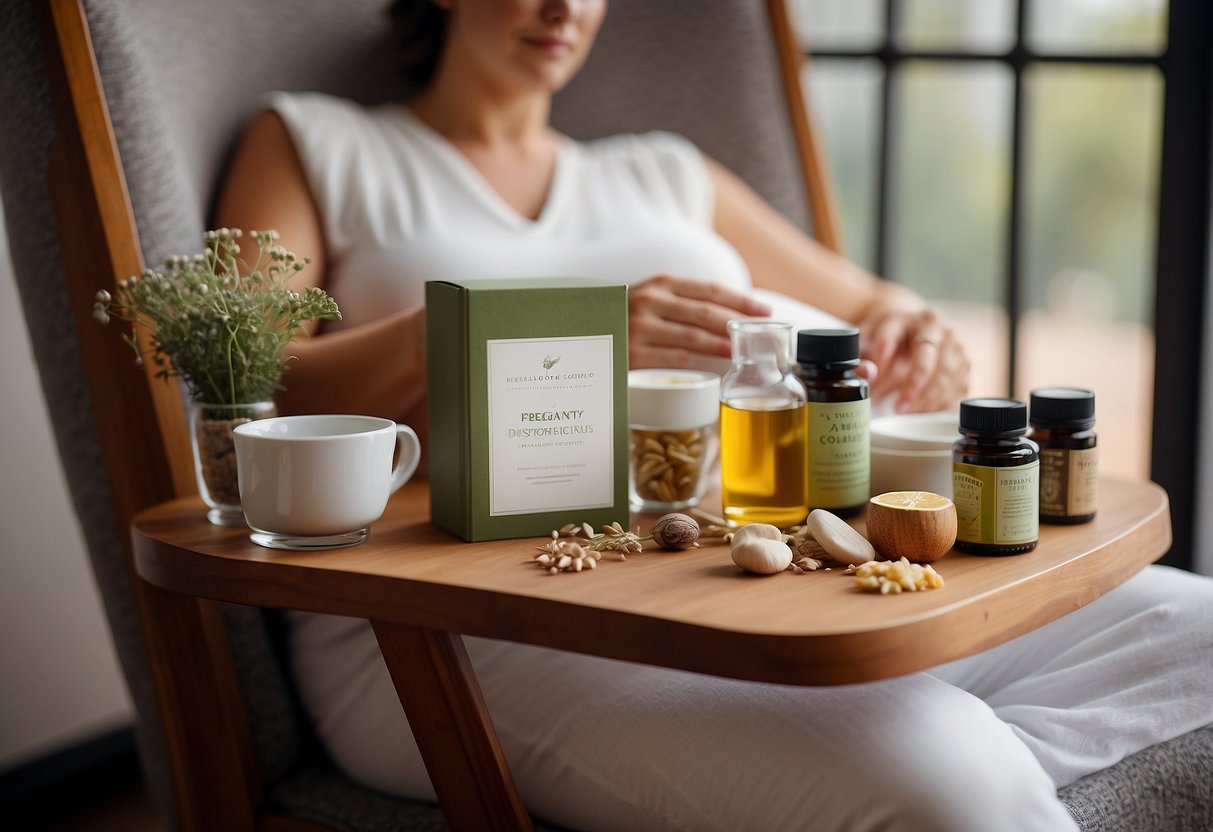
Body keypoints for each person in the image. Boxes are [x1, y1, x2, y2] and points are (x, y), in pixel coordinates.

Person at [214, 2, 1213, 830]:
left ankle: (905, 749)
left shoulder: (660, 171)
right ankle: (936, 758)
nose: (566, 7)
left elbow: (870, 306)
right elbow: (250, 381)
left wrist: (915, 328)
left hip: (755, 583)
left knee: (1198, 626)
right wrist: (572, 328)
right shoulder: (320, 143)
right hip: (470, 625)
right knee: (952, 785)